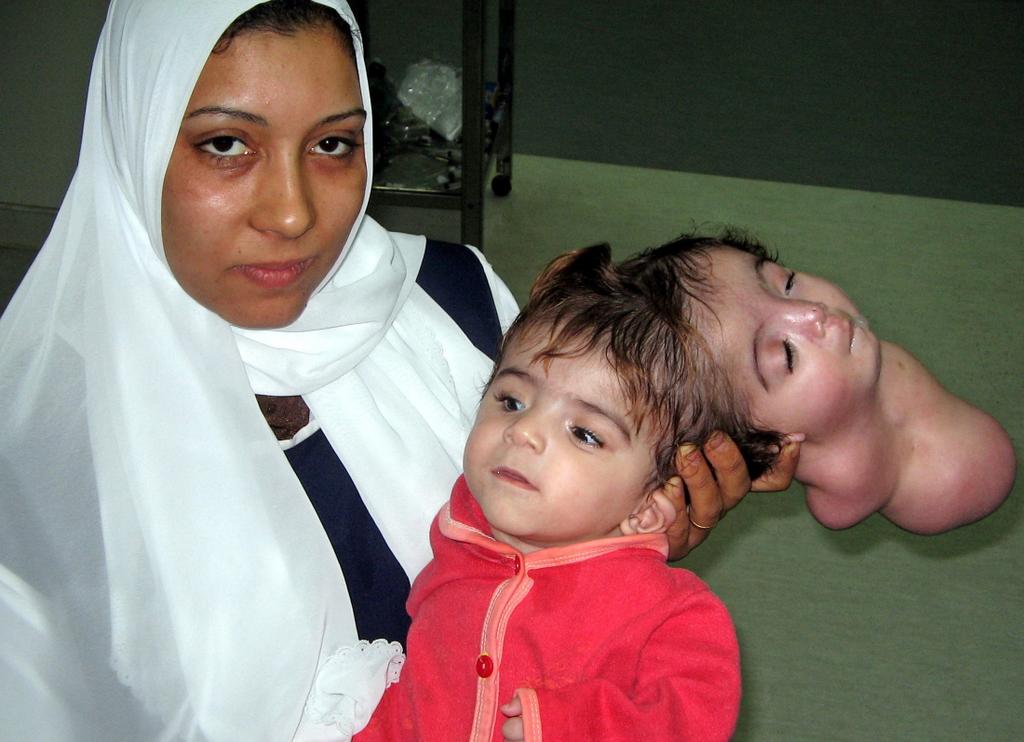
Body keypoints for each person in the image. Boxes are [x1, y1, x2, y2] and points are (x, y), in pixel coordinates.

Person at [0, 3, 776, 740]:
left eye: (333, 143)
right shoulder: (48, 445)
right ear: (132, 137)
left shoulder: (447, 299)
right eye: (228, 145)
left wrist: (615, 562)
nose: (293, 212)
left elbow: (541, 573)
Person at [358, 244, 742, 742]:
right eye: (512, 400)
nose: (524, 432)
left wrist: (576, 725)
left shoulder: (672, 613)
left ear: (648, 509)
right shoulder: (454, 538)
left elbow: (692, 720)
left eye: (584, 433)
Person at [624, 231, 1016, 533]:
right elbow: (835, 513)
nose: (813, 312)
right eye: (787, 355)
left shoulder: (847, 362)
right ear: (772, 447)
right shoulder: (849, 472)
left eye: (787, 283)